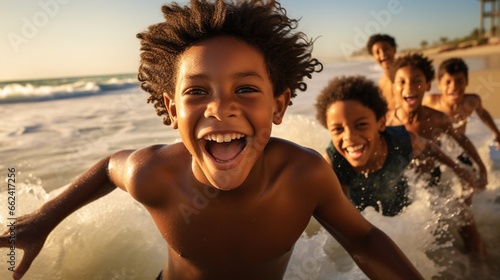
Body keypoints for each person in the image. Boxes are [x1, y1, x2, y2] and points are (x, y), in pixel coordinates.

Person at [0, 1, 424, 280]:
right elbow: (111, 166)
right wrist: (43, 219)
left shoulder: (303, 176)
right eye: (197, 91)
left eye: (245, 90)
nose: (220, 109)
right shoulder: (158, 175)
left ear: (279, 106)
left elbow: (364, 240)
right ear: (171, 110)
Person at [314, 75, 476, 217]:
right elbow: (344, 214)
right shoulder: (334, 163)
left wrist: (458, 169)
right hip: (365, 219)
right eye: (338, 129)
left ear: (381, 123)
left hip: (404, 213)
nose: (349, 137)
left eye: (361, 125)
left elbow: (429, 148)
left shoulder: (401, 141)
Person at [386, 52, 488, 264]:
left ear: (428, 85)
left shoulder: (438, 118)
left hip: (433, 179)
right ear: (394, 86)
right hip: (402, 184)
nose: (409, 87)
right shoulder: (387, 122)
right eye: (402, 81)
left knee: (464, 218)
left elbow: (463, 141)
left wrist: (480, 168)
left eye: (417, 81)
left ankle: (481, 267)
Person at [423, 57, 500, 150]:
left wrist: (497, 133)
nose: (454, 86)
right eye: (448, 82)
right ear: (439, 84)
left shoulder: (472, 101)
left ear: (466, 82)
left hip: (459, 147)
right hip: (436, 147)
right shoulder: (431, 101)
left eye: (459, 81)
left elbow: (482, 113)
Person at [366, 34, 398, 111]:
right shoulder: (381, 83)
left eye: (386, 49)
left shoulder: (407, 76)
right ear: (373, 56)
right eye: (377, 52)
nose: (382, 54)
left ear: (394, 50)